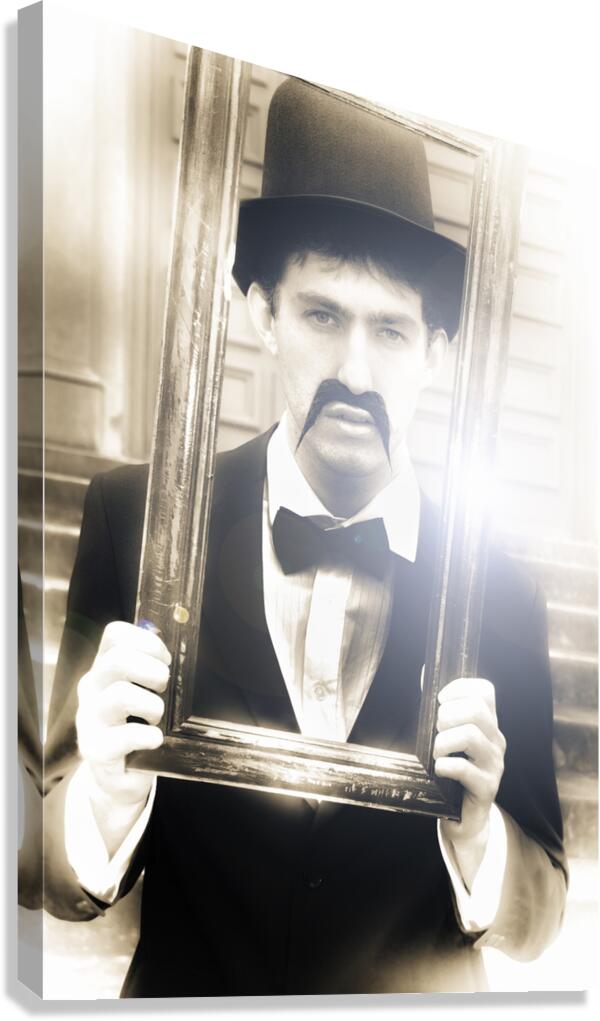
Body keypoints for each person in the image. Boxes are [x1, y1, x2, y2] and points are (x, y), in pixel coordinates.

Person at [43, 77, 567, 996]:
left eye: (391, 331)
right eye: (323, 315)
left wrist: (481, 836)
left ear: (435, 353)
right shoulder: (134, 519)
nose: (356, 372)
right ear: (263, 314)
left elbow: (543, 911)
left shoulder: (501, 590)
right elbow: (41, 866)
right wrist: (104, 793)